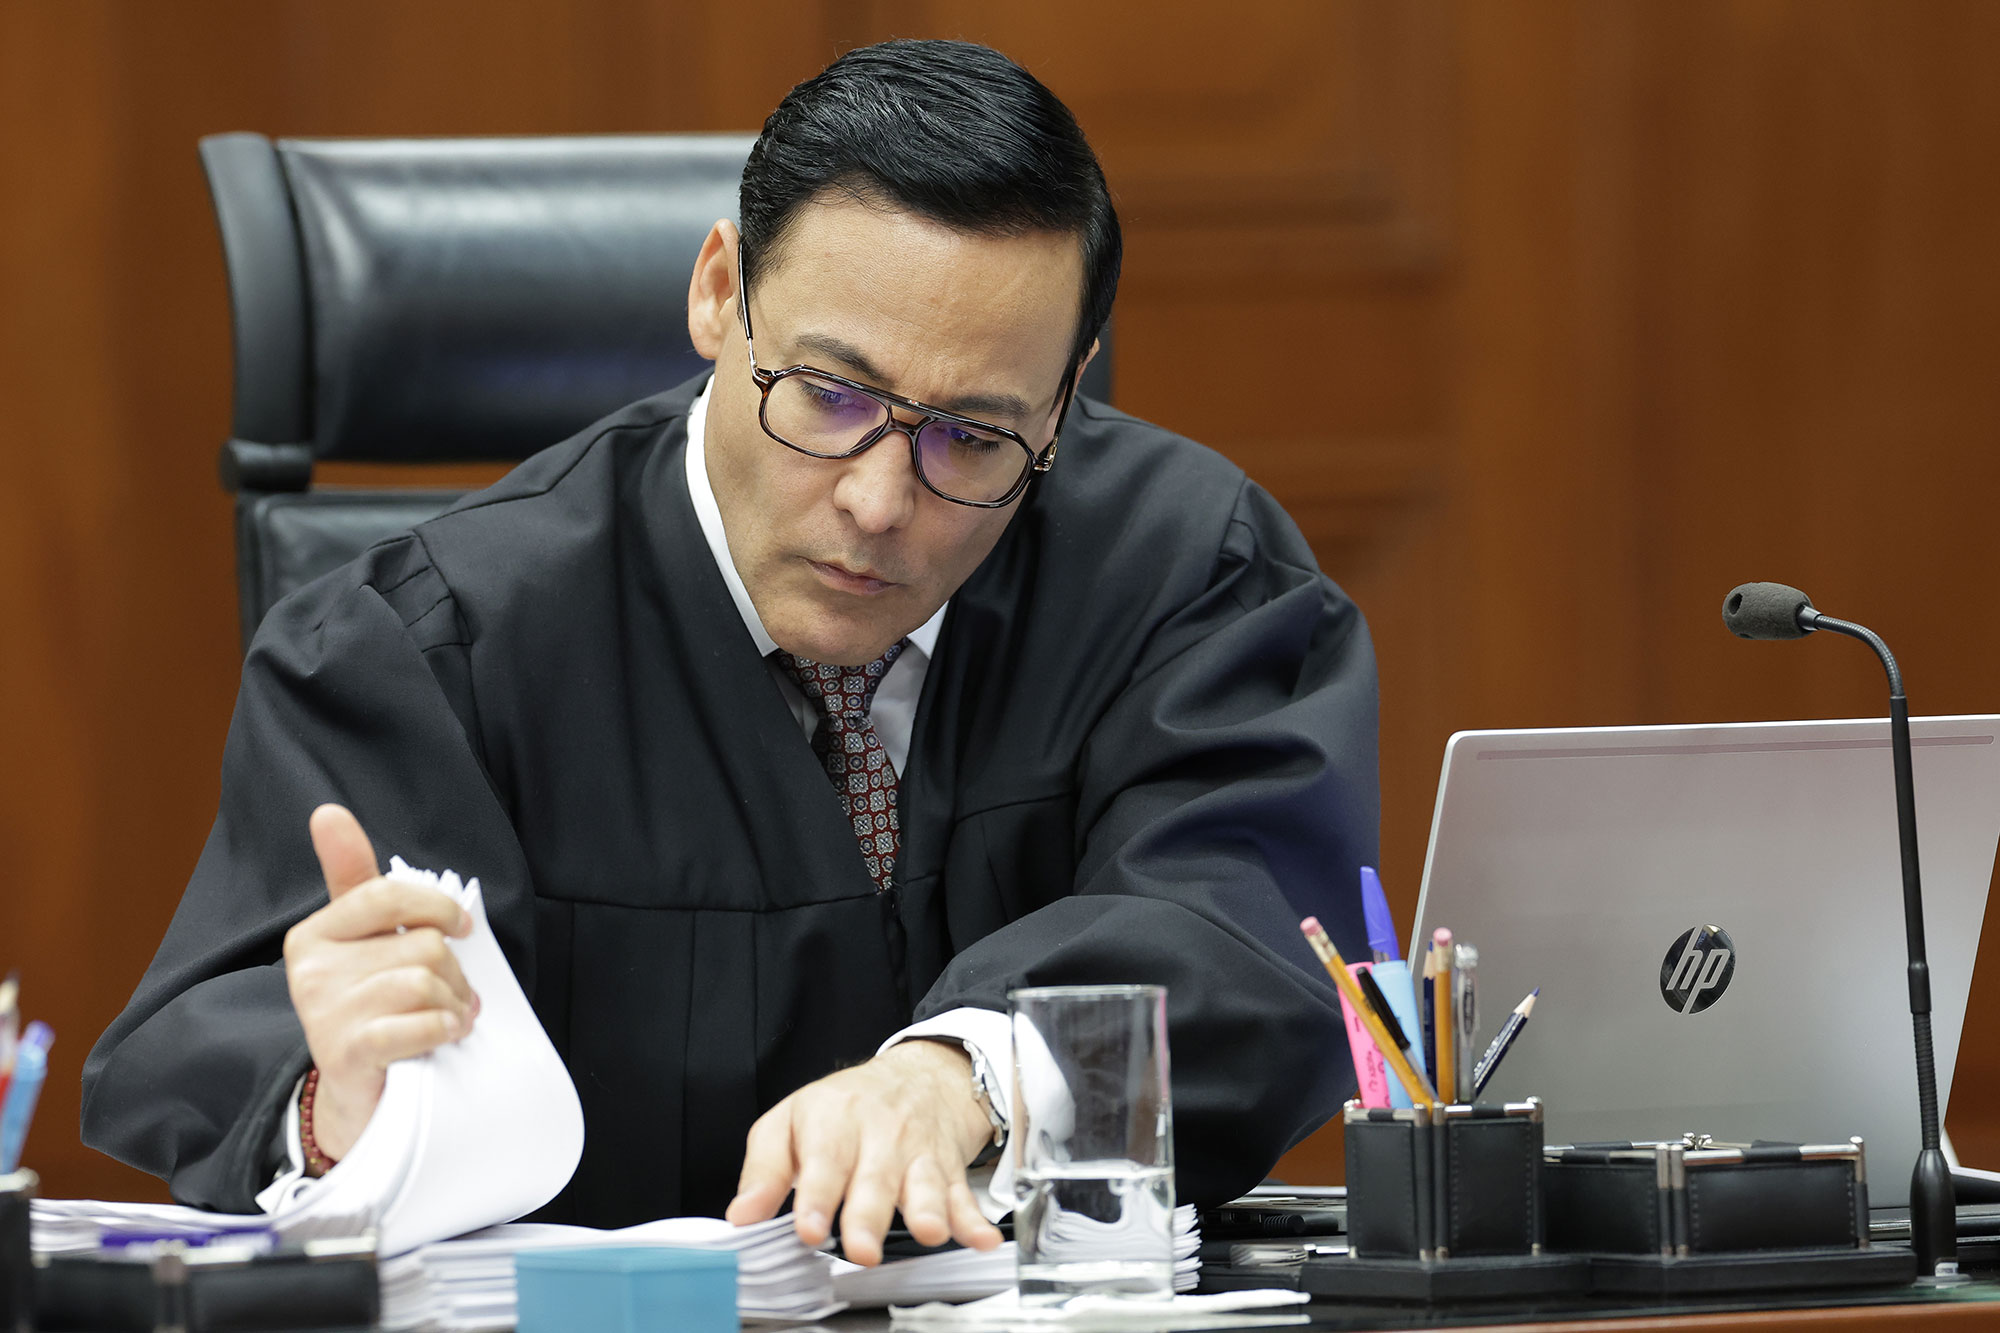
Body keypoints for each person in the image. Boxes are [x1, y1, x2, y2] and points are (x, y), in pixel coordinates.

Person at [81, 39, 1379, 1265]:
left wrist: (968, 1075)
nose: (879, 500)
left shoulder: (1185, 578)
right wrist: (344, 1108)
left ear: (1066, 391)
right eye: (831, 393)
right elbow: (226, 1043)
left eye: (974, 437)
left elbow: (1243, 935)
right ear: (719, 292)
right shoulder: (429, 647)